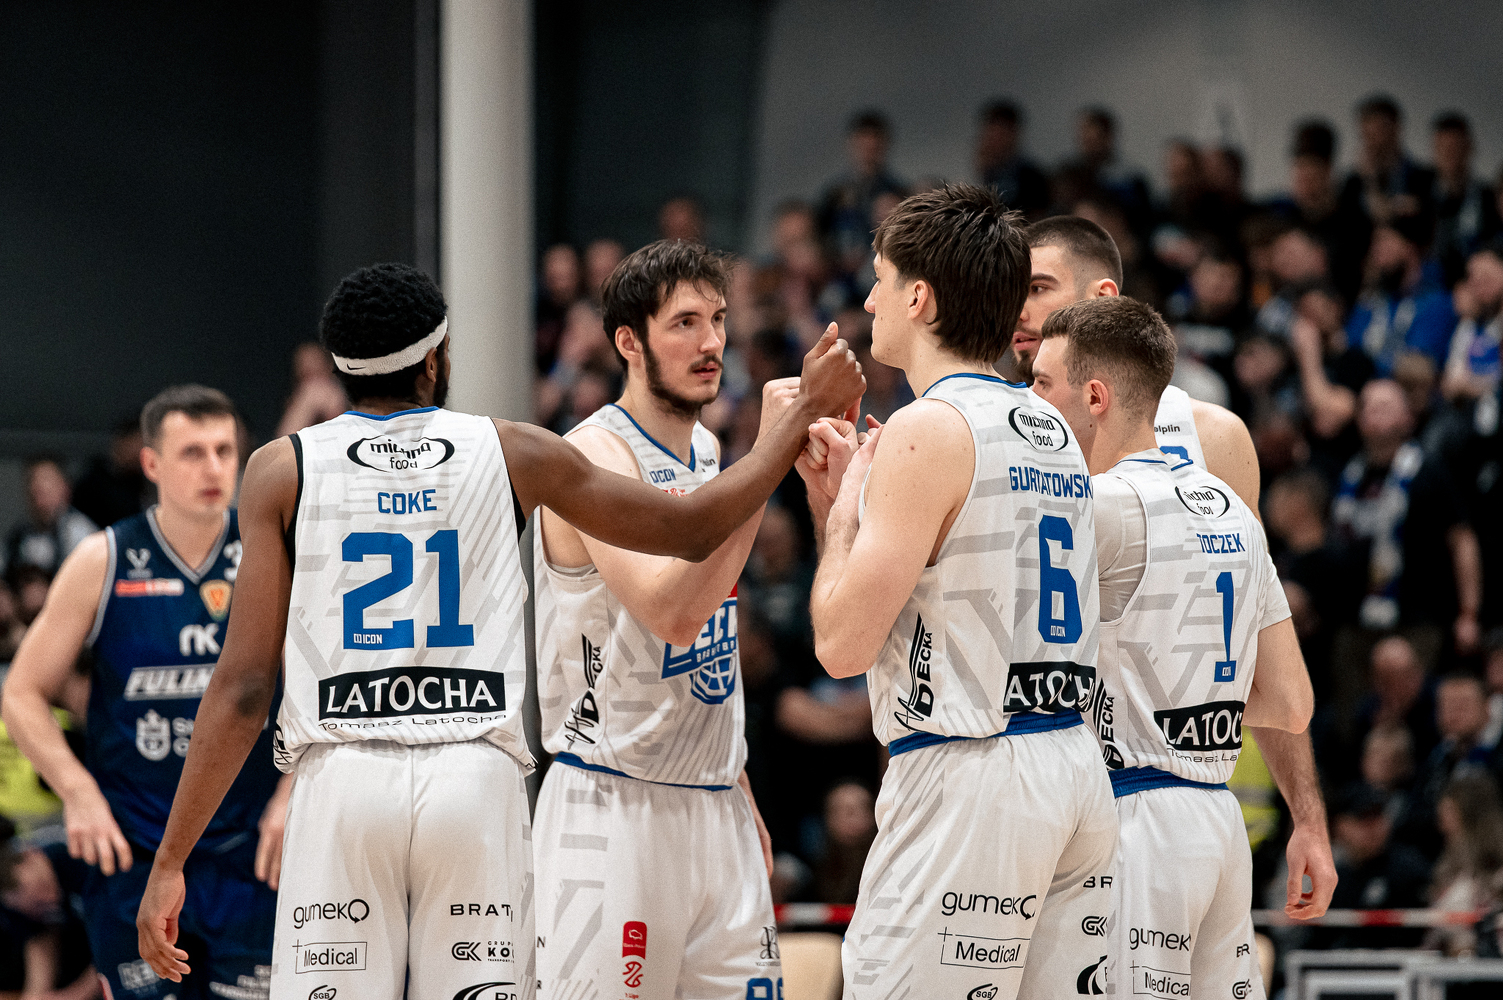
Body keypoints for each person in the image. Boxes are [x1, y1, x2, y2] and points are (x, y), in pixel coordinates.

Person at [132, 262, 863, 1000]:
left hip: (344, 779)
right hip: (473, 779)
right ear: (435, 358)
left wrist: (170, 861)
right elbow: (692, 527)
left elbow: (244, 687)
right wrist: (794, 420)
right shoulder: (512, 448)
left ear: (341, 368)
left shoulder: (281, 467)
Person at [800, 183, 1116, 998]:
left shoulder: (927, 428)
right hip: (1071, 767)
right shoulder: (1051, 426)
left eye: (879, 280)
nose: (868, 301)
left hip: (971, 773)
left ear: (918, 297)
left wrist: (840, 514)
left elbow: (840, 647)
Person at [1010, 216, 1339, 928]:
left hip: (1151, 802)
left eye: (1037, 288)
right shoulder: (1008, 427)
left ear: (1102, 298)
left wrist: (1307, 819)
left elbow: (1255, 647)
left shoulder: (1212, 438)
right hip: (1055, 805)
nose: (1019, 310)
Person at [531, 241, 786, 998]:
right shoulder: (591, 457)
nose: (711, 343)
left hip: (715, 799)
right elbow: (671, 613)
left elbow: (708, 650)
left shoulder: (709, 452)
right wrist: (770, 456)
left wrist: (734, 782)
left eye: (718, 319)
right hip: (611, 803)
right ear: (629, 342)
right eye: (684, 323)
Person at [2, 385, 287, 1000]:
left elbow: (319, 690)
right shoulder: (103, 559)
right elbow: (21, 691)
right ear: (151, 463)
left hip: (249, 853)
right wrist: (77, 792)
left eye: (224, 451)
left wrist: (291, 796)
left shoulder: (272, 554)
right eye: (192, 452)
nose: (214, 468)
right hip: (136, 851)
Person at [2, 458, 97, 579]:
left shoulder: (80, 532)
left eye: (47, 480)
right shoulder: (19, 535)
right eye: (32, 480)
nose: (37, 486)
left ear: (65, 488)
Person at [975, 100, 1049, 219]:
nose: (993, 140)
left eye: (1000, 134)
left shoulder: (1029, 176)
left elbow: (1037, 216)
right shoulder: (988, 173)